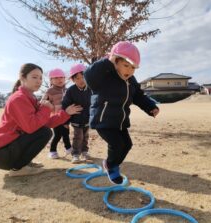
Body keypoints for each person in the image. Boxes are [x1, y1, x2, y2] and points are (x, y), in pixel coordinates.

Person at [0, 63, 82, 177]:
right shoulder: (18, 98)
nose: (39, 81)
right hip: (2, 153)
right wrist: (46, 108)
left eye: (41, 78)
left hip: (8, 151)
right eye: (34, 77)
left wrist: (66, 113)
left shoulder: (30, 98)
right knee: (44, 133)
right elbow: (31, 127)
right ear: (23, 78)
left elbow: (46, 122)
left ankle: (24, 163)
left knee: (44, 130)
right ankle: (18, 169)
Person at [84, 41, 160, 184]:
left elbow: (138, 95)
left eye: (133, 68)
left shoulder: (131, 80)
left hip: (120, 121)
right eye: (126, 65)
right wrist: (107, 62)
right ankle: (112, 166)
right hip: (103, 120)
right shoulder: (104, 75)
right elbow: (89, 76)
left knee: (127, 145)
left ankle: (111, 163)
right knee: (117, 144)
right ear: (115, 62)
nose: (130, 71)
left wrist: (150, 106)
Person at [62, 64, 92, 163]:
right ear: (73, 80)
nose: (81, 80)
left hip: (87, 118)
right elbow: (65, 105)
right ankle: (75, 154)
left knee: (86, 136)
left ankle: (84, 151)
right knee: (78, 137)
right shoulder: (70, 91)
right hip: (76, 119)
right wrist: (66, 121)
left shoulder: (90, 89)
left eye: (83, 77)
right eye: (77, 78)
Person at [44, 68, 72, 159]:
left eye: (61, 77)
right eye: (56, 78)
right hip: (55, 117)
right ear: (51, 80)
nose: (59, 80)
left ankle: (68, 148)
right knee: (57, 135)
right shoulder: (50, 91)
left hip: (66, 116)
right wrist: (49, 105)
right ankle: (52, 151)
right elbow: (42, 101)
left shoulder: (67, 90)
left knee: (66, 133)